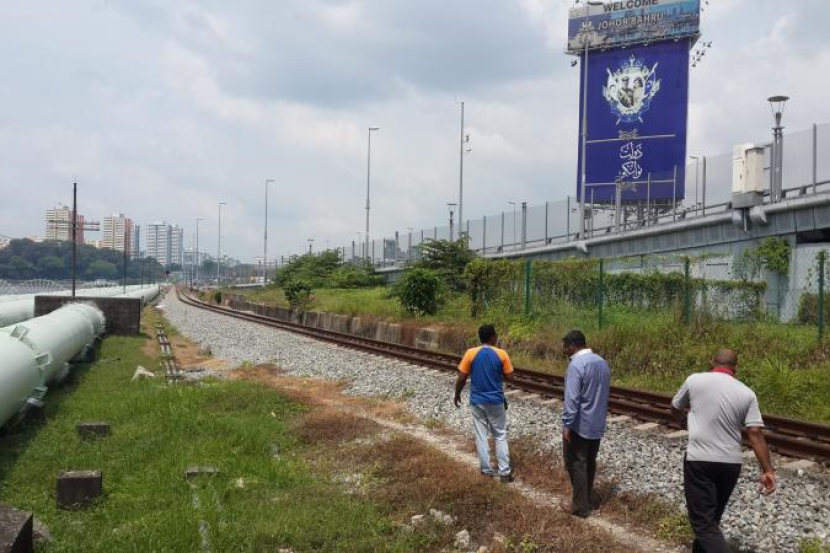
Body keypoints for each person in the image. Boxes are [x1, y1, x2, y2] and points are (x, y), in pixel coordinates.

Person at [671, 348, 776, 553]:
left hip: (700, 460)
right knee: (710, 522)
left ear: (712, 363)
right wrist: (767, 470)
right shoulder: (747, 393)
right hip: (731, 464)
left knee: (703, 524)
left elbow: (675, 407)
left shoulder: (694, 380)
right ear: (736, 367)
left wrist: (683, 421)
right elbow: (755, 433)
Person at [454, 324, 515, 482]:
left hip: (477, 400)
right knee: (500, 435)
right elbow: (510, 377)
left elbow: (462, 377)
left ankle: (486, 471)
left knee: (481, 435)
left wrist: (457, 394)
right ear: (493, 337)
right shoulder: (502, 354)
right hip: (496, 400)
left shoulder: (470, 353)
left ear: (480, 337)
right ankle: (505, 472)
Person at [560, 330, 611, 518]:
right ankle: (586, 498)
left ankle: (580, 506)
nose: (564, 351)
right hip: (597, 421)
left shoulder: (576, 365)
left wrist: (567, 424)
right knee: (590, 461)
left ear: (573, 346)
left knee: (575, 462)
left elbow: (572, 399)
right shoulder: (602, 362)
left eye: (565, 347)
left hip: (580, 424)